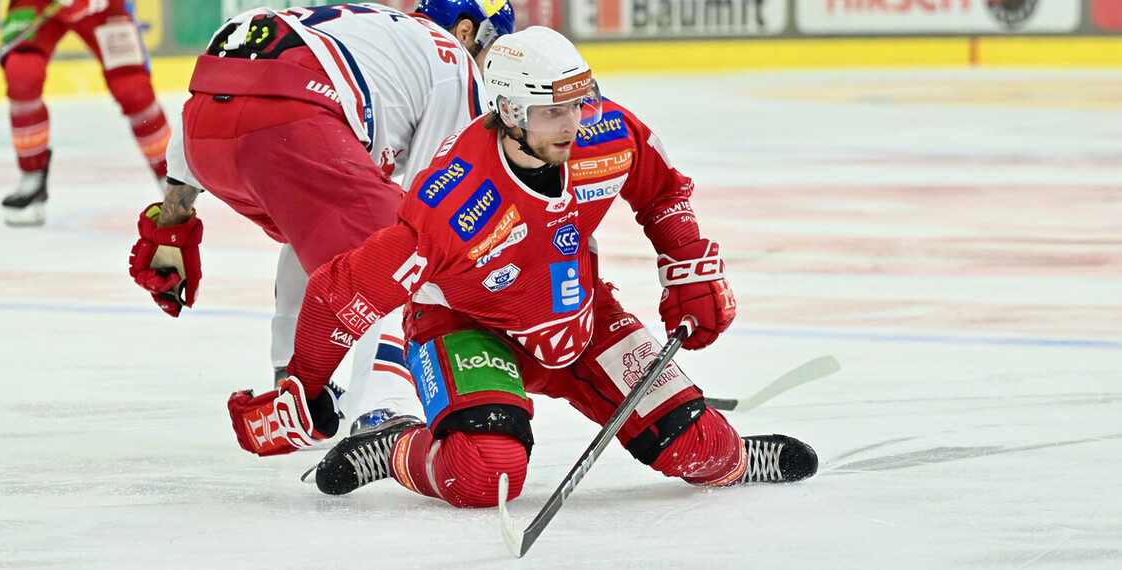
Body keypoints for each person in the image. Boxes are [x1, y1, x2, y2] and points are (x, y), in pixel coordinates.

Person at [227, 26, 818, 506]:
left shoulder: (604, 132)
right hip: (466, 327)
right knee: (488, 474)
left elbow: (664, 191)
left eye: (581, 101)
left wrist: (690, 265)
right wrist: (302, 388)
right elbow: (341, 292)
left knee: (703, 449)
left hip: (581, 321)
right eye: (553, 112)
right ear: (508, 111)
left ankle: (730, 453)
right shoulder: (453, 202)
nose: (575, 123)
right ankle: (399, 446)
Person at [126, 0, 515, 435]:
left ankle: (293, 385)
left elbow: (223, 94)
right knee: (406, 250)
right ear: (466, 32)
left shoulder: (379, 32)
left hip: (204, 129)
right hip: (289, 121)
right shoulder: (452, 60)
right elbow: (427, 217)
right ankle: (381, 408)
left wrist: (172, 225)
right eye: (494, 49)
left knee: (315, 223)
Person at [0, 0, 170, 226]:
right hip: (37, 3)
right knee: (23, 74)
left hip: (102, 6)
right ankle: (32, 176)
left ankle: (171, 178)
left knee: (133, 90)